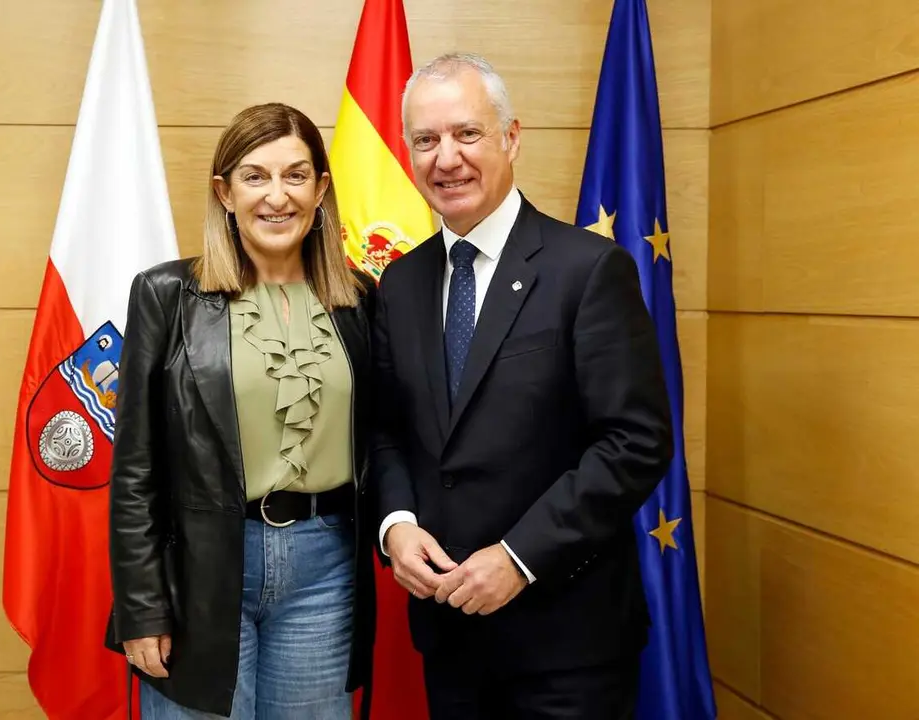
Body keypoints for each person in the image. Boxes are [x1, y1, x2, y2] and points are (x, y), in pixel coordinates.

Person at [370, 53, 673, 719]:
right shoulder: (401, 284)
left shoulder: (588, 269)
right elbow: (386, 430)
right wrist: (395, 525)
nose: (445, 159)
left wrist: (518, 557)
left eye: (467, 134)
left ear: (511, 136)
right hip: (449, 637)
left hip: (567, 644)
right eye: (425, 140)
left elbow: (635, 442)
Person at [104, 102, 377, 720]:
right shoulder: (166, 296)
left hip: (325, 570)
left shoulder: (362, 300)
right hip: (200, 570)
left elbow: (385, 440)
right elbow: (136, 471)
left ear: (322, 190)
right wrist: (141, 607)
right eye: (255, 176)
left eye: (295, 175)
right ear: (224, 193)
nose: (276, 197)